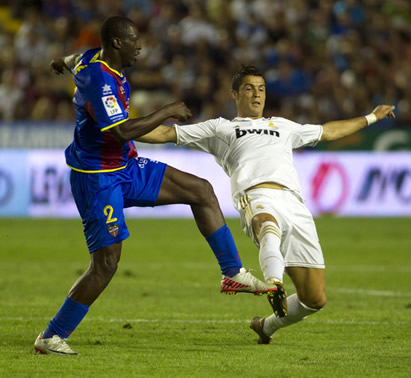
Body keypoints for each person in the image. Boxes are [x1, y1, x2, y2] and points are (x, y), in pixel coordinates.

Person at [34, 18, 276, 356]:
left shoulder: (91, 58)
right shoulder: (99, 80)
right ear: (117, 44)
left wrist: (61, 61)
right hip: (97, 177)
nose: (140, 45)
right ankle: (51, 336)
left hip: (126, 166)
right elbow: (121, 131)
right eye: (134, 40)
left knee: (201, 190)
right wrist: (168, 111)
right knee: (106, 264)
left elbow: (75, 59)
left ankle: (232, 272)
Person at [148, 65, 396, 344]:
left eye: (262, 89)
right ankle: (273, 283)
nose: (257, 94)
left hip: (295, 204)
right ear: (234, 94)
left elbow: (327, 132)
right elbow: (166, 135)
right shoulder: (221, 128)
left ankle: (265, 327)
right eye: (249, 88)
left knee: (314, 299)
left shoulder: (283, 126)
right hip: (255, 195)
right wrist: (118, 131)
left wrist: (372, 116)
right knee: (267, 224)